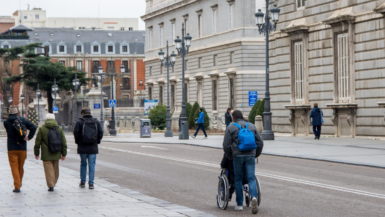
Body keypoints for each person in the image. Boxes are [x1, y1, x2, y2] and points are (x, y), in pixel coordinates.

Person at [222, 110, 264, 214]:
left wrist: (229, 156)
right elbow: (260, 142)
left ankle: (240, 204)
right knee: (251, 178)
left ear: (233, 118)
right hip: (250, 155)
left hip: (237, 155)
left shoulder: (231, 127)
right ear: (242, 116)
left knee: (238, 179)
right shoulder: (252, 126)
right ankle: (253, 196)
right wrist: (256, 154)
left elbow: (226, 145)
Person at [4, 106, 37, 193]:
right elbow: (33, 127)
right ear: (18, 113)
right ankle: (19, 183)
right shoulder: (23, 120)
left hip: (11, 148)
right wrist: (29, 137)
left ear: (9, 113)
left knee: (14, 167)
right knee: (20, 167)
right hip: (22, 148)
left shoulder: (6, 122)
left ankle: (17, 186)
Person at [34, 113, 67, 192]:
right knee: (55, 168)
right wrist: (64, 153)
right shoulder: (59, 128)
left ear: (46, 119)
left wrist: (36, 153)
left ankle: (51, 185)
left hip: (46, 153)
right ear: (54, 119)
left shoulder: (42, 128)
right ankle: (54, 182)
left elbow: (37, 142)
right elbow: (63, 141)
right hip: (57, 151)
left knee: (48, 170)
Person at [73, 107, 103, 189]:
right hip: (93, 146)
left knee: (83, 164)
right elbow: (100, 132)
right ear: (90, 113)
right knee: (92, 165)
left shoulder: (79, 122)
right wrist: (97, 141)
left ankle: (82, 182)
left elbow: (76, 133)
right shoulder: (96, 121)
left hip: (82, 146)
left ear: (82, 113)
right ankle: (91, 183)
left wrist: (78, 142)